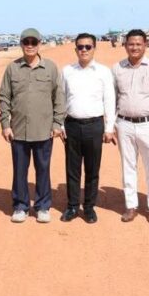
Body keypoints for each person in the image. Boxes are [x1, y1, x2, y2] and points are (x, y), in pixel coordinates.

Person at [0, 28, 65, 224]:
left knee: (43, 170)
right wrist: (5, 124)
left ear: (39, 44)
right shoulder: (12, 68)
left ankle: (43, 206)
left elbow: (59, 97)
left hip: (44, 131)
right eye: (26, 42)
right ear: (21, 44)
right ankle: (20, 206)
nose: (29, 45)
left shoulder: (50, 68)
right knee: (20, 171)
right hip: (18, 131)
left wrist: (57, 123)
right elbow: (4, 97)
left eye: (33, 42)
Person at [112, 29, 149, 224]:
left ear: (145, 45)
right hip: (124, 124)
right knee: (128, 166)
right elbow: (112, 98)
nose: (134, 47)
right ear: (125, 45)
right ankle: (131, 205)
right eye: (131, 44)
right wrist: (112, 125)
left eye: (138, 44)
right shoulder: (117, 68)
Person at [60, 33, 116, 224]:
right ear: (75, 49)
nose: (84, 50)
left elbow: (109, 100)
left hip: (95, 126)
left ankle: (89, 207)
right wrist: (60, 124)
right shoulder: (67, 71)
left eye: (88, 47)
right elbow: (61, 99)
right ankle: (72, 206)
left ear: (94, 48)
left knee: (92, 169)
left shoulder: (103, 72)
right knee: (72, 169)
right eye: (80, 47)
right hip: (72, 125)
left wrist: (109, 128)